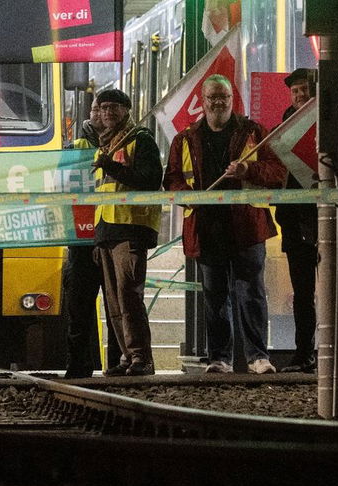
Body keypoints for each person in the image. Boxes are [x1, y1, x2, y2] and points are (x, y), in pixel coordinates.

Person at [164, 74, 285, 375]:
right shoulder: (184, 139)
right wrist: (191, 198)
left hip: (247, 226)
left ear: (233, 99)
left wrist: (248, 168)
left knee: (252, 293)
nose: (219, 103)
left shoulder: (254, 132)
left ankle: (258, 357)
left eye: (224, 97)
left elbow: (278, 172)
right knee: (215, 297)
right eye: (213, 98)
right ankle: (219, 358)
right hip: (207, 229)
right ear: (202, 102)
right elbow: (172, 180)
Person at [90, 88, 162, 377]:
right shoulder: (104, 145)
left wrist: (112, 167)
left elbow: (149, 179)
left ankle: (141, 358)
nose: (108, 112)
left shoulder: (140, 140)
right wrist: (98, 236)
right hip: (108, 229)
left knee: (129, 295)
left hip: (130, 228)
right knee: (114, 301)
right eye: (103, 107)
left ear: (126, 110)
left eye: (114, 107)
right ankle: (127, 356)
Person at [62, 98, 121, 378]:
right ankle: (78, 365)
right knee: (79, 307)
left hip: (112, 233)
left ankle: (117, 364)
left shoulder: (123, 143)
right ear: (90, 113)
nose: (101, 114)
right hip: (82, 238)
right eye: (97, 108)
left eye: (106, 109)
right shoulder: (74, 148)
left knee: (116, 308)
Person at [275, 67, 319, 372]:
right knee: (303, 293)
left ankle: (330, 351)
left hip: (326, 219)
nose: (300, 95)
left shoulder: (330, 122)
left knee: (336, 290)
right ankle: (304, 353)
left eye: (305, 89)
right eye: (296, 91)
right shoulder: (283, 130)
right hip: (294, 221)